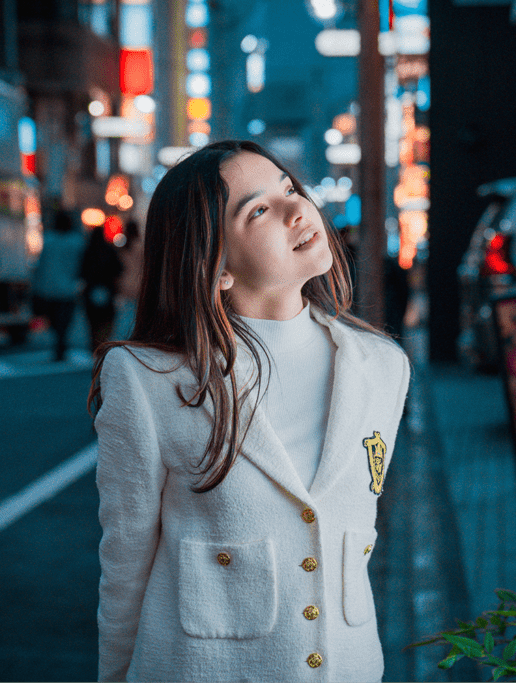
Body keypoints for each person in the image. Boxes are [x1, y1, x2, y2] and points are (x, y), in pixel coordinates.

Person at [87, 140, 410, 682]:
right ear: (217, 268)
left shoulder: (383, 367)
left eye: (289, 188)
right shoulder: (148, 379)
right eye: (258, 210)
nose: (297, 208)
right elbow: (125, 559)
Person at [31, 210, 85, 361]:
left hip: (49, 289)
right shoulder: (77, 242)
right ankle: (61, 345)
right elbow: (81, 265)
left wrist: (37, 285)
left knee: (54, 321)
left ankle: (58, 345)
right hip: (68, 288)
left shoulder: (48, 240)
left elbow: (41, 265)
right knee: (65, 321)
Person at [80, 226, 123, 353]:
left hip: (91, 290)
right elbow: (118, 269)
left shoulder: (88, 251)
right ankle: (103, 341)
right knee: (107, 319)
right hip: (108, 289)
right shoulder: (110, 250)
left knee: (93, 321)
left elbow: (82, 271)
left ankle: (94, 344)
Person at [114, 219, 144, 340]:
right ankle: (132, 338)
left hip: (124, 284)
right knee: (136, 315)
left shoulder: (123, 247)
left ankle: (121, 338)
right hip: (139, 284)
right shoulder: (141, 246)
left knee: (124, 315)